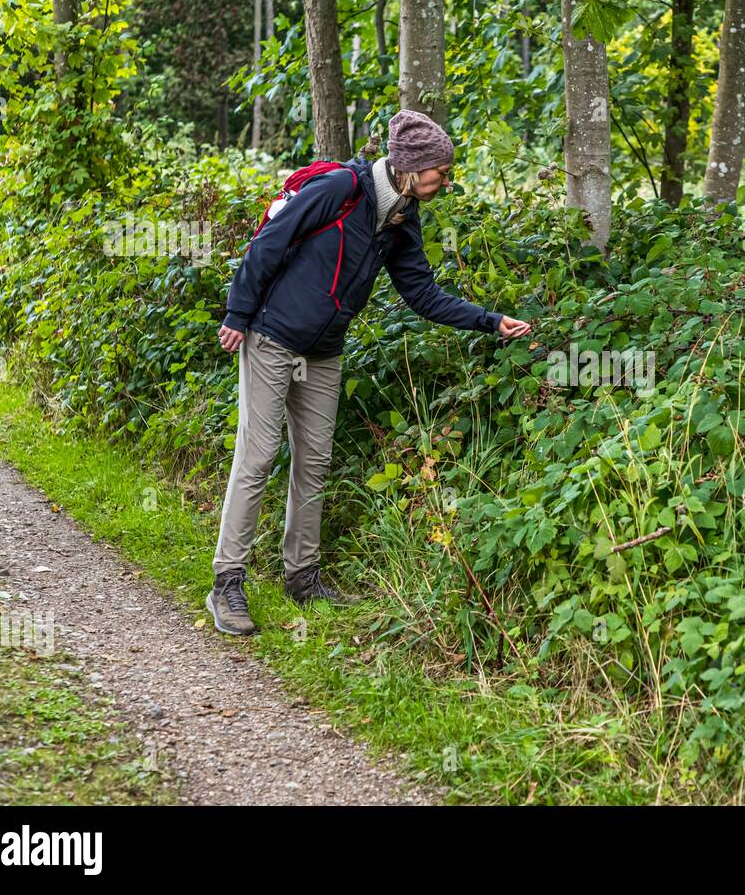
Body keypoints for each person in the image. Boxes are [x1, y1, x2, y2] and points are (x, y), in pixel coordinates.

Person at [207, 109, 531, 635]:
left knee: (314, 462)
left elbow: (421, 293)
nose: (444, 182)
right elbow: (269, 240)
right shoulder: (341, 188)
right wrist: (238, 315)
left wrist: (490, 322)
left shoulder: (402, 216)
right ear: (409, 167)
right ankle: (227, 583)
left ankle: (302, 577)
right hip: (269, 337)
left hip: (323, 352)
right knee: (258, 456)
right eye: (439, 173)